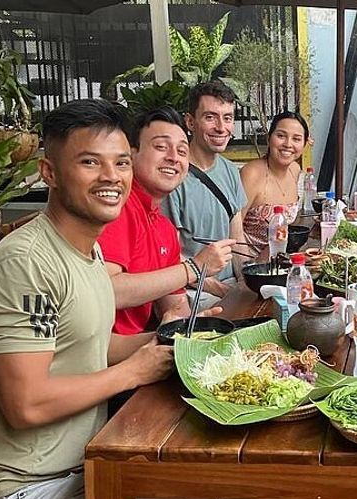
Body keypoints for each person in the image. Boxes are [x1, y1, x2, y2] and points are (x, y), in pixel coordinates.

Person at [0, 99, 217, 499]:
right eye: (89, 162)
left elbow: (94, 345)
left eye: (120, 162)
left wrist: (177, 340)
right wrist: (133, 372)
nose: (110, 177)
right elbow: (26, 403)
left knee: (209, 483)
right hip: (27, 495)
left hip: (88, 468)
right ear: (50, 173)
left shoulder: (88, 253)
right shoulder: (25, 264)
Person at [98, 107, 235, 335]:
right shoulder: (118, 208)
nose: (173, 157)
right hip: (106, 359)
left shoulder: (164, 228)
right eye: (161, 147)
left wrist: (193, 326)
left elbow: (174, 307)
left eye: (182, 151)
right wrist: (194, 268)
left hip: (145, 347)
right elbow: (106, 292)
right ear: (131, 155)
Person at [161, 81, 248, 309]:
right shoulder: (173, 177)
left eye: (227, 118)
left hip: (231, 285)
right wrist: (220, 289)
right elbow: (168, 256)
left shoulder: (230, 170)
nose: (221, 127)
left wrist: (247, 283)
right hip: (195, 291)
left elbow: (237, 239)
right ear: (190, 122)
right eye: (211, 117)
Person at [240, 111, 309, 257]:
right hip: (250, 266)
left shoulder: (295, 170)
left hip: (284, 261)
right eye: (281, 136)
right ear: (269, 138)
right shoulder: (251, 174)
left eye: (296, 139)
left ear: (304, 145)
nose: (288, 144)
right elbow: (232, 229)